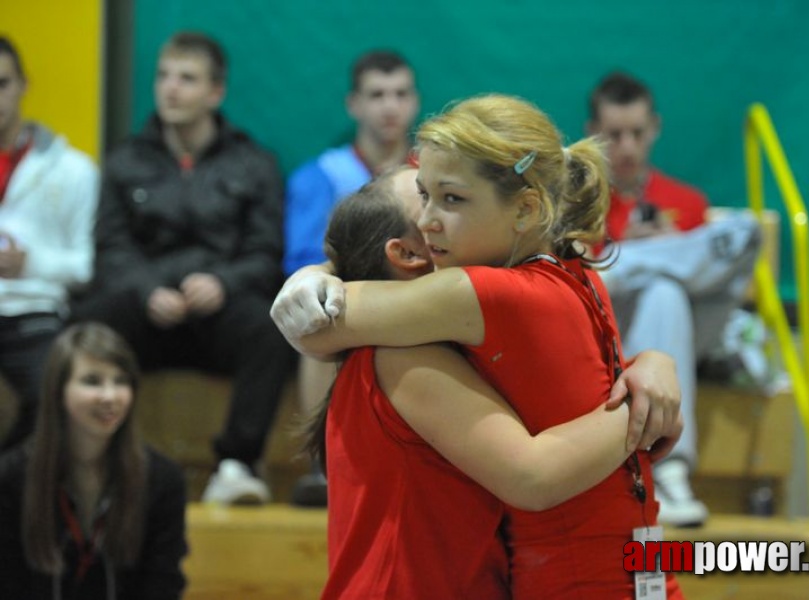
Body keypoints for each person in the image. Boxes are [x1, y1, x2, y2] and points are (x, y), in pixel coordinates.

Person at [273, 94, 684, 598]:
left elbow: (318, 325)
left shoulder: (482, 294)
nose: (429, 220)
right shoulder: (576, 271)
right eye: (423, 197)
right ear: (403, 256)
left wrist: (319, 275)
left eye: (451, 199)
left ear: (526, 209)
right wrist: (650, 395)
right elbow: (534, 473)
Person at [70, 32, 295, 505]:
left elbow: (264, 251)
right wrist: (147, 289)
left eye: (187, 79)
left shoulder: (254, 163)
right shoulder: (125, 160)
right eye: (164, 76)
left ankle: (236, 466)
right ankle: (91, 464)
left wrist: (222, 283)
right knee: (83, 325)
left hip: (219, 312)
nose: (171, 88)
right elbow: (110, 249)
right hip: (146, 313)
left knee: (273, 331)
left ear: (215, 92)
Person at [586, 70, 761, 526]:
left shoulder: (685, 199)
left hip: (686, 337)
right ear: (592, 134)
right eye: (613, 134)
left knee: (736, 239)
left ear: (655, 129)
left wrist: (639, 253)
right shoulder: (580, 201)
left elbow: (716, 287)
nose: (625, 146)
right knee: (664, 287)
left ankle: (626, 264)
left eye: (636, 133)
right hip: (610, 337)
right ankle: (670, 469)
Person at [283, 49, 420, 506]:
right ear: (353, 104)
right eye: (377, 94)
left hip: (423, 304)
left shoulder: (435, 177)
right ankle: (327, 470)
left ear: (415, 102)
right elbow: (300, 259)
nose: (389, 106)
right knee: (315, 315)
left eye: (400, 94)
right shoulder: (321, 176)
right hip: (350, 303)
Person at [0, 322, 188, 598]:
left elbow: (162, 585)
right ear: (58, 390)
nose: (110, 396)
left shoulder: (163, 479)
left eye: (121, 381)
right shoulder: (10, 477)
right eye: (92, 381)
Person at [0, 36, 99, 452]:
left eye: (1, 83)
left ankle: (11, 486)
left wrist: (31, 264)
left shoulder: (73, 169)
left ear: (24, 84)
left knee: (56, 390)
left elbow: (87, 265)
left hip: (35, 313)